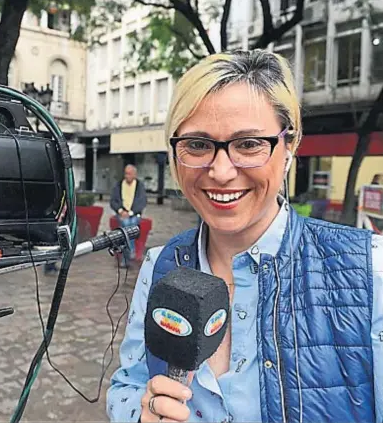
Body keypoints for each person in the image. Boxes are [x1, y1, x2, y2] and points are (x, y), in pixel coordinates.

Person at [107, 50, 382, 423]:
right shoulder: (160, 265)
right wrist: (142, 414)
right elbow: (128, 384)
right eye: (198, 145)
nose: (221, 171)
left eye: (249, 144)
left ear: (290, 146)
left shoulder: (370, 271)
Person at [110, 164, 147, 267]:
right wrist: (121, 210)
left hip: (134, 213)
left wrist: (131, 213)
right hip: (121, 212)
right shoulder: (118, 185)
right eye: (126, 173)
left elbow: (142, 202)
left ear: (134, 174)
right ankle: (130, 251)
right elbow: (113, 201)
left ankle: (127, 255)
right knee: (126, 223)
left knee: (130, 224)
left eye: (129, 174)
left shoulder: (140, 186)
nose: (127, 176)